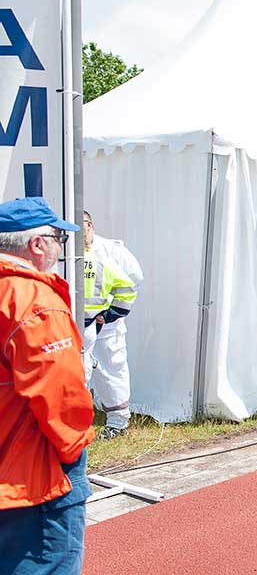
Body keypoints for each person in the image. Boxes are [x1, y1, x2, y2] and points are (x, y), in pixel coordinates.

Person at [0, 198, 94, 574]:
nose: (61, 245)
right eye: (59, 238)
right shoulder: (33, 300)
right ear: (37, 245)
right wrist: (74, 449)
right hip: (34, 470)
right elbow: (61, 394)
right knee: (45, 560)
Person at [81, 211, 143, 438]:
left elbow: (134, 279)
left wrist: (111, 312)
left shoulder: (111, 250)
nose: (81, 232)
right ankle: (79, 422)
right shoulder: (68, 252)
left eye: (84, 225)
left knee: (111, 369)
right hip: (79, 324)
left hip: (106, 325)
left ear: (91, 225)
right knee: (80, 372)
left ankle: (118, 423)